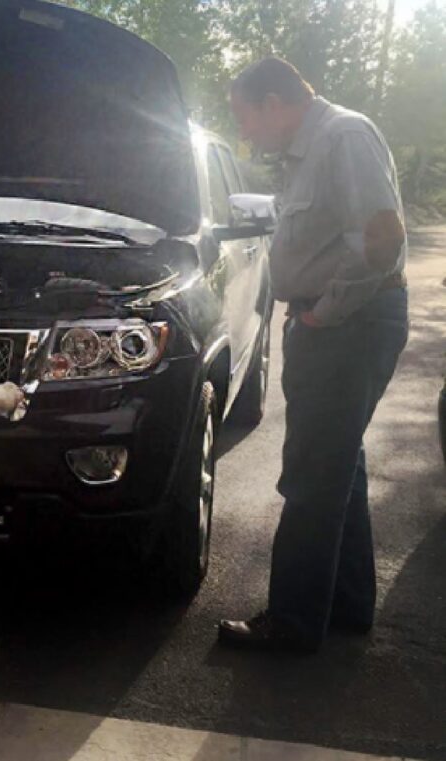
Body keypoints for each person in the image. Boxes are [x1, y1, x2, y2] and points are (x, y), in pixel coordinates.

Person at [218, 58, 409, 652]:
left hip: (347, 325)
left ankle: (295, 625)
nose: (246, 133)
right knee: (337, 465)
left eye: (245, 118)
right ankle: (346, 605)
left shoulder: (342, 136)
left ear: (275, 102)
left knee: (311, 475)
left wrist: (324, 312)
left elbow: (381, 238)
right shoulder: (317, 146)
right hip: (340, 322)